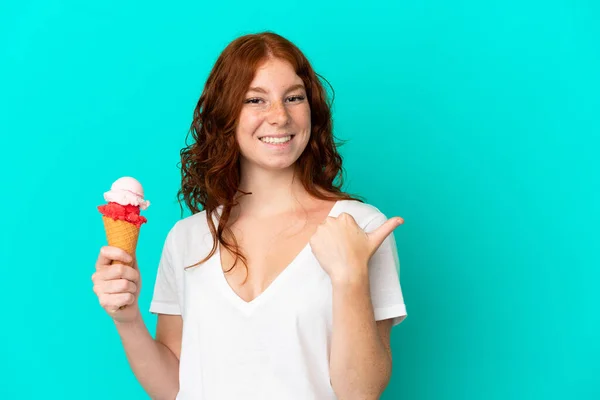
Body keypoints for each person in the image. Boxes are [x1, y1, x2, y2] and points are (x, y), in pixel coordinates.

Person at [92, 31, 407, 400]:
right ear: (226, 114)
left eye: (294, 97)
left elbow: (361, 393)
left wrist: (350, 276)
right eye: (255, 99)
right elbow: (175, 388)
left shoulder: (360, 228)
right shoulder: (187, 237)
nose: (279, 116)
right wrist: (127, 320)